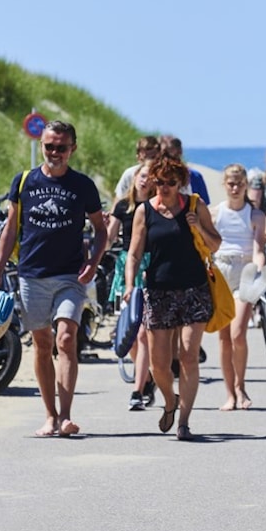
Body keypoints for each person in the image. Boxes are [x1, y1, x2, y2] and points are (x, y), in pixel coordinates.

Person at [0, 120, 107, 438]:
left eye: (62, 147)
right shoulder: (24, 181)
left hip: (71, 275)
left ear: (73, 148)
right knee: (42, 345)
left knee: (66, 340)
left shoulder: (83, 186)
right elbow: (11, 227)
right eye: (49, 146)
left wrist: (93, 262)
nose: (55, 152)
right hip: (32, 274)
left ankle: (66, 416)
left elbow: (101, 229)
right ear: (41, 145)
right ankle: (50, 416)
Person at [124, 153, 221, 441]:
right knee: (159, 364)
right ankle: (169, 400)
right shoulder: (144, 211)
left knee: (189, 355)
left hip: (194, 289)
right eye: (159, 182)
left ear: (181, 183)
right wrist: (130, 285)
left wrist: (198, 226)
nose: (164, 187)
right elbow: (134, 252)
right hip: (158, 291)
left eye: (170, 182)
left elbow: (215, 244)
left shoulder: (195, 205)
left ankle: (184, 422)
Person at [211, 164, 266, 410]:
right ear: (224, 185)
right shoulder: (215, 214)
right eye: (231, 184)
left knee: (238, 333)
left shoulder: (256, 216)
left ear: (246, 186)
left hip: (245, 271)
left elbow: (259, 250)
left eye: (240, 184)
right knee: (223, 337)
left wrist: (259, 269)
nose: (235, 188)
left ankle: (240, 386)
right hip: (220, 272)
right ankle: (229, 393)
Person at [105, 163, 155, 410]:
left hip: (150, 268)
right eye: (143, 175)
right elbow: (108, 239)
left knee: (144, 332)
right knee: (131, 335)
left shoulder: (157, 207)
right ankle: (145, 377)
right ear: (135, 177)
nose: (145, 181)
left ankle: (138, 390)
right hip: (126, 269)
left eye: (150, 177)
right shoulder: (123, 205)